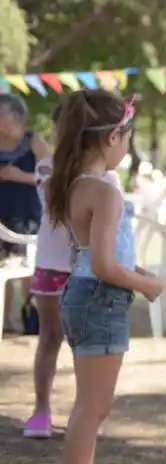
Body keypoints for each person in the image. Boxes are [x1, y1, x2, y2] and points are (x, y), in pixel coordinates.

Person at [43, 89, 165, 464]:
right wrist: (146, 285)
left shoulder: (80, 184)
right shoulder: (103, 190)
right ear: (114, 135)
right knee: (92, 407)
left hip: (88, 295)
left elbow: (99, 254)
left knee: (92, 405)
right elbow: (103, 264)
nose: (128, 147)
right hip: (100, 297)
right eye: (128, 137)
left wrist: (131, 269)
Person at [23, 102, 79, 439]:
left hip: (80, 265)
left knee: (81, 345)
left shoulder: (99, 172)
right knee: (51, 339)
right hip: (55, 265)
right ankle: (41, 410)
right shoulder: (47, 168)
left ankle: (83, 414)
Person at [0, 92, 49, 329]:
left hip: (26, 217)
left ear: (17, 116)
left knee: (26, 270)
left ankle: (30, 319)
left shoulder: (34, 142)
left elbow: (54, 176)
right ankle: (5, 321)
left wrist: (22, 177)